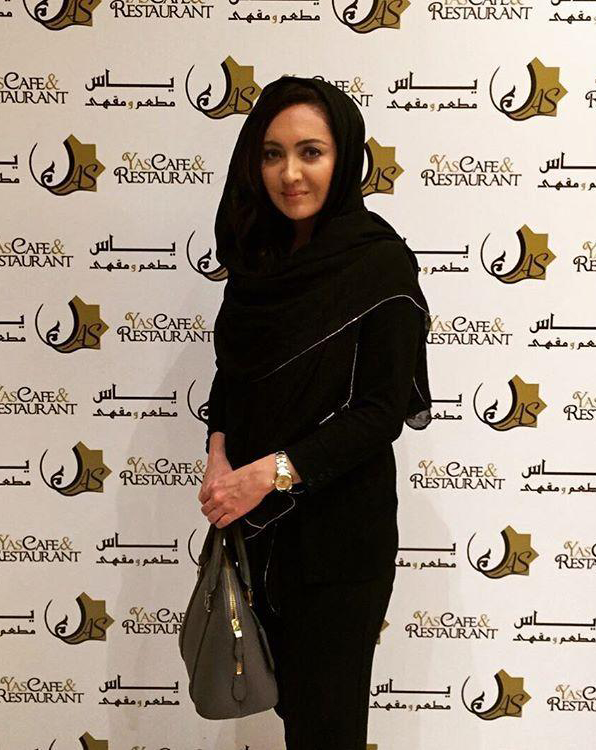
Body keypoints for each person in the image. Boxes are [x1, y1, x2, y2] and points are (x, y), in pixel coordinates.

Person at [196, 76, 433, 750]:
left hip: (337, 542)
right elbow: (235, 374)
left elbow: (380, 412)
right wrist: (219, 453)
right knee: (294, 720)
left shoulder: (379, 264)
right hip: (256, 532)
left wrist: (266, 474)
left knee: (326, 731)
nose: (290, 173)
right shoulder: (258, 263)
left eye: (311, 152)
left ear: (344, 156)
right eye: (272, 154)